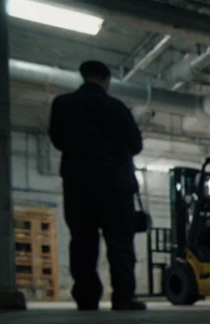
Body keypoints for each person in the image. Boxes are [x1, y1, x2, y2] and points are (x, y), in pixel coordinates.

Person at [49, 60, 146, 310]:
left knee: (82, 239)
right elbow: (135, 145)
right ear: (106, 80)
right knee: (120, 243)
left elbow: (57, 139)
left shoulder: (63, 104)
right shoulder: (117, 108)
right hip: (115, 185)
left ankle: (86, 297)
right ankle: (123, 297)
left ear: (83, 77)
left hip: (78, 183)